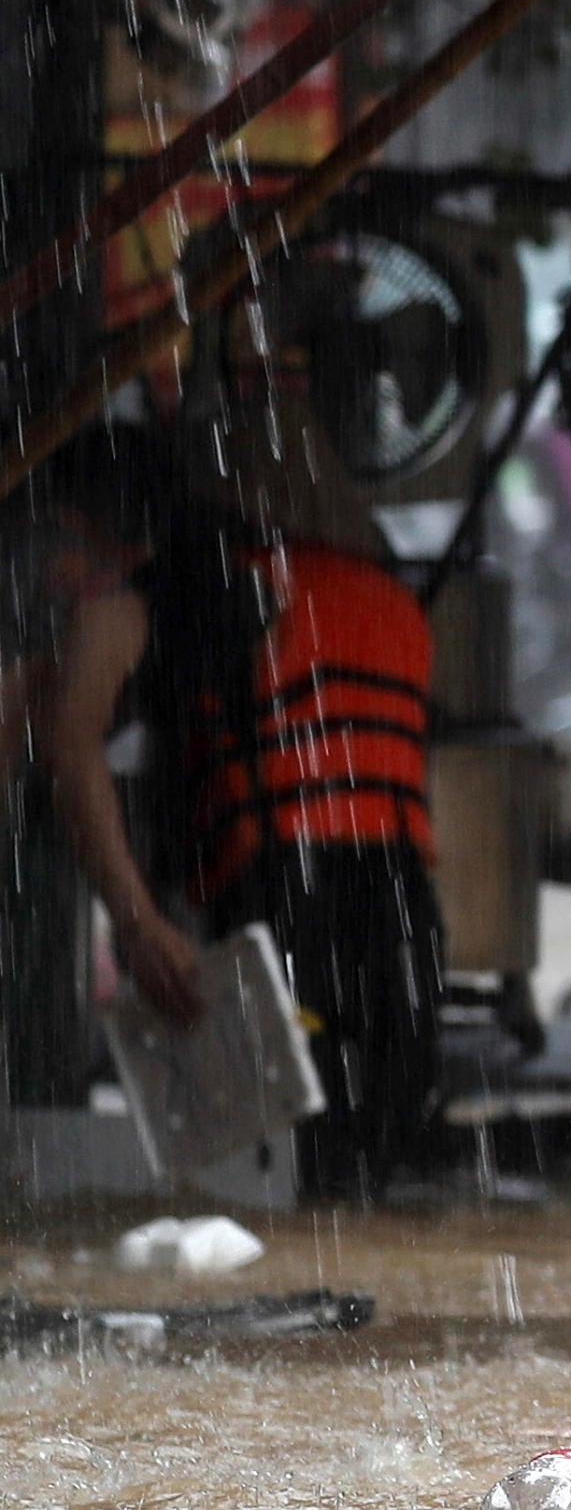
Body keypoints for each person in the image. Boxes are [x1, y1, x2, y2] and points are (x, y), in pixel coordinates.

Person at [24, 419, 451, 1195]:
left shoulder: (137, 601)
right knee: (371, 1161)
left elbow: (68, 748)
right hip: (404, 913)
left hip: (291, 904)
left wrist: (136, 919)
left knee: (273, 1179)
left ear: (85, 528)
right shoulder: (339, 580)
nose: (52, 572)